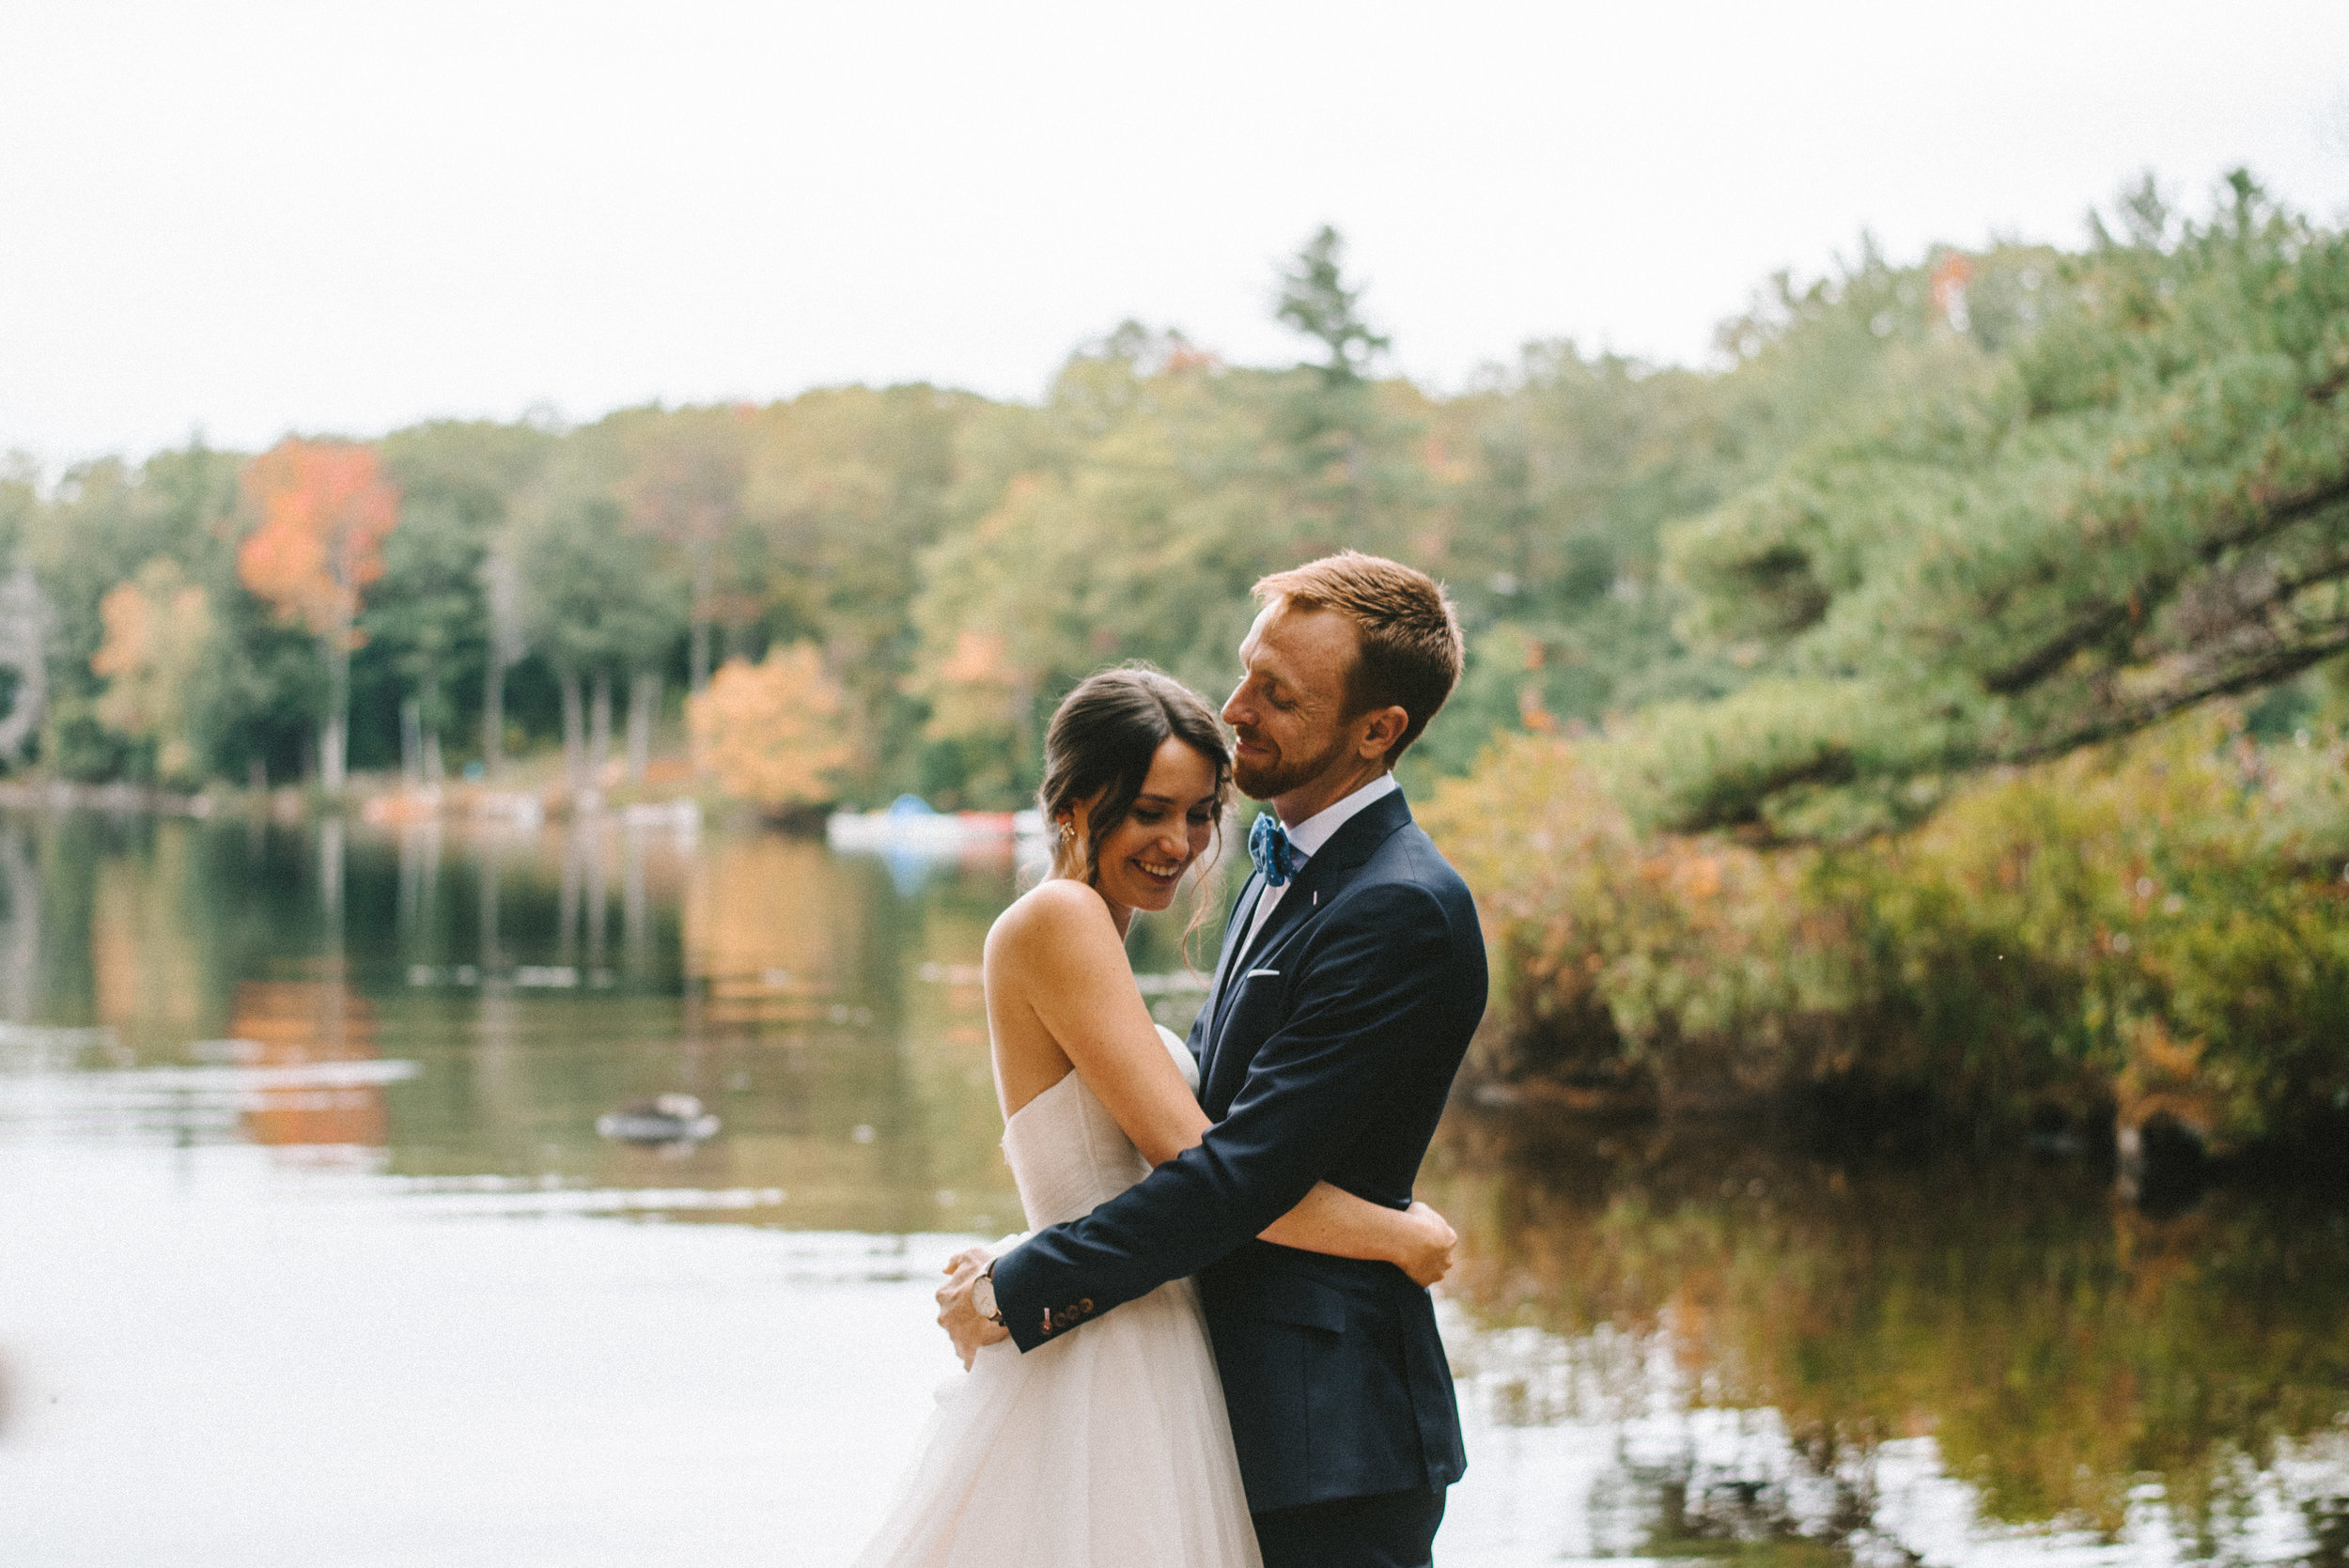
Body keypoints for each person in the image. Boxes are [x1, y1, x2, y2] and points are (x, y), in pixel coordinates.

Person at [938, 552, 1487, 1568]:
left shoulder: (1397, 906)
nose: (1237, 709)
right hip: (1206, 1404)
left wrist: (1020, 1285)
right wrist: (1388, 1232)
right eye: (1246, 673)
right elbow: (1196, 1140)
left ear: (1378, 730)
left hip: (1329, 1439)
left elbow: (1230, 1175)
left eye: (1278, 694)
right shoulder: (1275, 874)